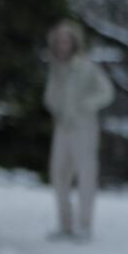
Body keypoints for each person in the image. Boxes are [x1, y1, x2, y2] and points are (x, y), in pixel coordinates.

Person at [43, 18, 114, 242]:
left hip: (84, 127)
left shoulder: (86, 66)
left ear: (74, 42)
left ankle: (84, 226)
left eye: (67, 40)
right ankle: (65, 225)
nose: (63, 44)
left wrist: (86, 106)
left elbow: (106, 92)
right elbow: (50, 97)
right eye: (60, 40)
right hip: (62, 127)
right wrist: (54, 105)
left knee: (85, 175)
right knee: (58, 174)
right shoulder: (55, 68)